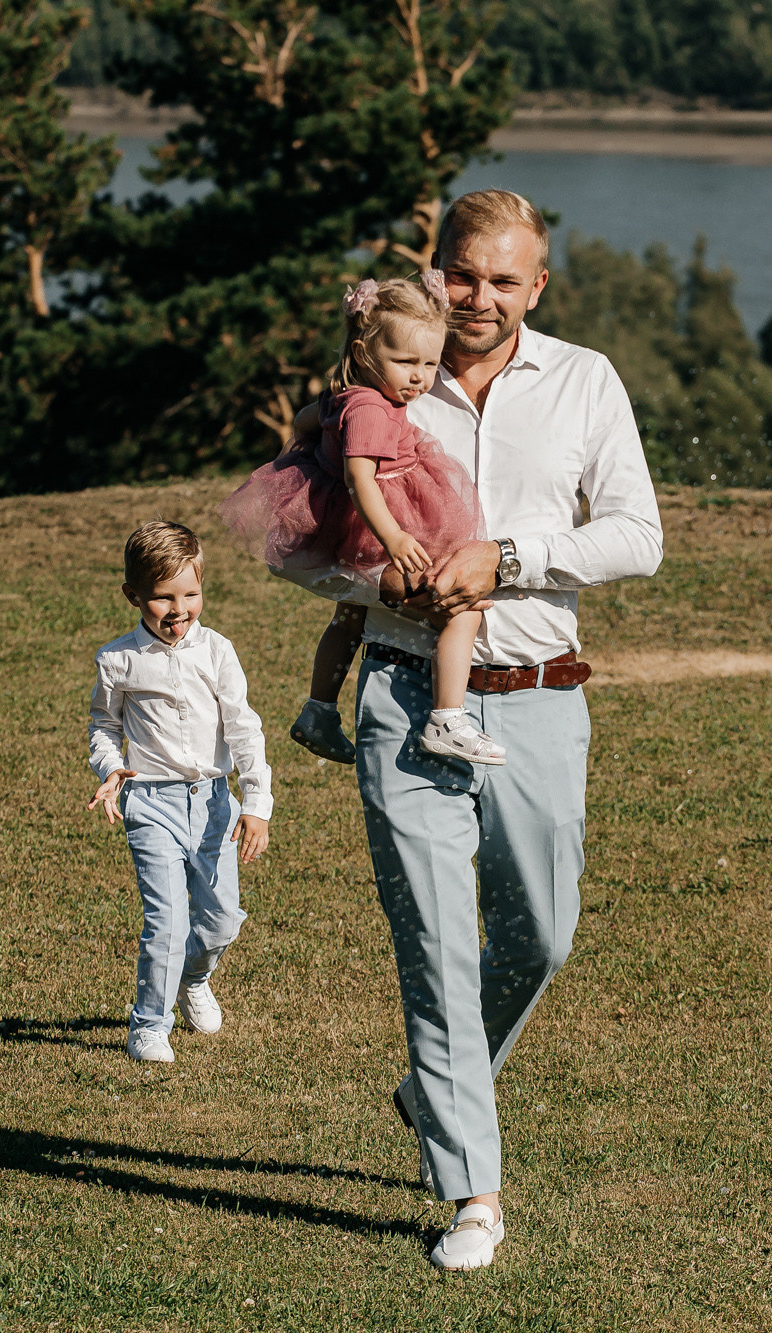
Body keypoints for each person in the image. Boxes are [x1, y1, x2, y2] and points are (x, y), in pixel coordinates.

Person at [274, 190, 663, 1270]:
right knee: (435, 951)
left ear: (537, 287)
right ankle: (473, 1195)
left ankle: (433, 1089)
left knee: (539, 932)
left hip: (541, 691)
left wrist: (508, 557)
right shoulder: (376, 386)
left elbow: (638, 536)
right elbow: (295, 545)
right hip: (403, 697)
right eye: (461, 273)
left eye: (504, 280)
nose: (478, 298)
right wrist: (375, 571)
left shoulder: (584, 380)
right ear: (432, 267)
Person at [219, 273, 505, 768]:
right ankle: (448, 718)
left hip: (348, 526)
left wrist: (314, 450)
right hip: (373, 528)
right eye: (405, 362)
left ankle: (319, 710)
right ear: (364, 351)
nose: (419, 377)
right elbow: (360, 480)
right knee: (463, 606)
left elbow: (305, 421)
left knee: (350, 615)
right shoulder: (372, 409)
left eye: (430, 364)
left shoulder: (346, 395)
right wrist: (392, 534)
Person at [88, 520, 272, 1065]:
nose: (179, 609)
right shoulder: (118, 659)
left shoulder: (217, 651)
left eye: (190, 594)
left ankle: (194, 977)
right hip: (151, 805)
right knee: (164, 921)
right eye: (163, 597)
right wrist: (111, 767)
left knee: (221, 921)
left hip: (215, 804)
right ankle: (149, 1025)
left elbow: (243, 727)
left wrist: (256, 804)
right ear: (134, 596)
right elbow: (104, 724)